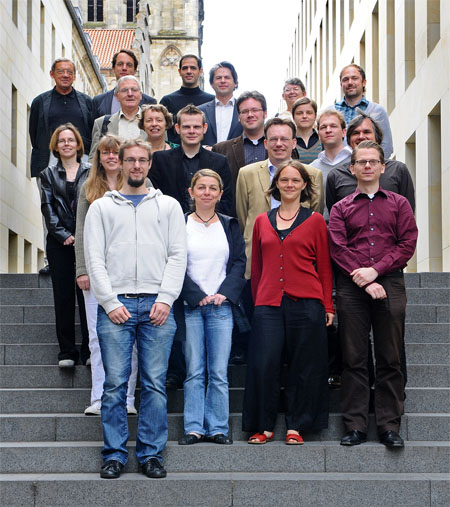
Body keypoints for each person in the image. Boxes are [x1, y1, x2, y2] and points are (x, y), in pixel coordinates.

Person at [84, 138, 187, 480]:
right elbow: (94, 258)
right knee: (114, 384)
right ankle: (114, 455)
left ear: (150, 164)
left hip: (157, 305)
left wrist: (166, 298)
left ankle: (151, 455)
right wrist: (109, 301)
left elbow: (178, 255)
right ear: (120, 163)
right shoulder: (102, 208)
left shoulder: (168, 206)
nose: (137, 166)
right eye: (130, 160)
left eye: (143, 160)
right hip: (118, 306)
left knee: (155, 384)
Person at [328, 141, 417, 448]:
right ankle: (355, 425)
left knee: (390, 357)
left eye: (373, 161)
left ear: (382, 167)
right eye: (361, 162)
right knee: (354, 357)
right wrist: (364, 280)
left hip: (390, 282)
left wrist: (375, 271)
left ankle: (389, 426)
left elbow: (407, 243)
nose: (367, 166)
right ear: (352, 168)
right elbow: (338, 248)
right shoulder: (340, 208)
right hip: (352, 286)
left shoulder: (399, 204)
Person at [243, 160, 334, 444]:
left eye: (296, 180)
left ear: (305, 185)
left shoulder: (315, 221)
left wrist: (328, 306)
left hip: (307, 303)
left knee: (304, 365)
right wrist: (258, 302)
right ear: (276, 185)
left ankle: (297, 425)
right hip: (268, 304)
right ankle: (264, 426)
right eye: (284, 180)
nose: (290, 185)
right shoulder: (262, 221)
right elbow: (257, 268)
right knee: (264, 364)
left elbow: (324, 266)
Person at [178, 169, 246, 446]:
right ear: (191, 192)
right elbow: (173, 262)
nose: (207, 192)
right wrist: (195, 295)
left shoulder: (229, 224)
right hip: (191, 306)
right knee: (194, 370)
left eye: (212, 188)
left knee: (218, 371)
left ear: (220, 194)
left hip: (221, 307)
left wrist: (224, 293)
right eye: (201, 187)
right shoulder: (180, 224)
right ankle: (194, 427)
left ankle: (218, 427)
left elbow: (240, 262)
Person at [75, 134, 138, 416]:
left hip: (129, 273)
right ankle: (99, 397)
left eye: (116, 152)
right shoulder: (89, 188)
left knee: (130, 339)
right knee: (96, 337)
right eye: (106, 152)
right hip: (96, 272)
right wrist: (82, 269)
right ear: (98, 158)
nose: (111, 157)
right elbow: (80, 232)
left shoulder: (139, 185)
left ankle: (127, 399)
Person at [236, 116, 324, 280]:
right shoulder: (246, 174)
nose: (278, 144)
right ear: (265, 143)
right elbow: (243, 217)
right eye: (273, 139)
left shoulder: (312, 174)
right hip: (258, 259)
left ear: (294, 143)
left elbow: (315, 213)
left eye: (284, 139)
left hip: (298, 261)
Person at [29, 58, 93, 274]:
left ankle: (83, 258)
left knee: (84, 208)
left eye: (69, 72)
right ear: (52, 74)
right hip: (49, 160)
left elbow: (90, 131)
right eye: (60, 71)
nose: (65, 75)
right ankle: (51, 260)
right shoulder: (40, 102)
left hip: (81, 161)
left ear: (74, 76)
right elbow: (34, 134)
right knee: (50, 210)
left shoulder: (86, 102)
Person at [39, 123, 90, 367]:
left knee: (87, 295)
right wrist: (63, 234)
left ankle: (89, 349)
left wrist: (81, 234)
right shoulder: (47, 174)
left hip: (86, 240)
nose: (67, 144)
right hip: (59, 243)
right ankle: (67, 352)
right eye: (62, 141)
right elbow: (47, 208)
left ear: (78, 144)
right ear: (56, 147)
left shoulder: (91, 172)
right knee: (63, 296)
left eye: (71, 140)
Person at [327, 111, 415, 212]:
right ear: (349, 141)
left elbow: (407, 213)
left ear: (377, 138)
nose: (361, 136)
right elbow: (335, 214)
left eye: (366, 132)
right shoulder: (336, 176)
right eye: (356, 133)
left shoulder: (398, 170)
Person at [334, 64, 393, 158]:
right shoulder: (331, 112)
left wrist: (372, 164)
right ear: (341, 84)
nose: (350, 82)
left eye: (354, 78)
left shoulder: (378, 111)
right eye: (345, 79)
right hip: (339, 166)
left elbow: (386, 147)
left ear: (364, 82)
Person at [212, 90, 268, 189]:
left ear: (265, 113)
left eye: (255, 110)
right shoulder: (221, 150)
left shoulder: (279, 146)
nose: (250, 115)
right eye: (245, 111)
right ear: (238, 116)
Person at [89, 76, 147, 161]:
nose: (130, 94)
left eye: (134, 90)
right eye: (124, 90)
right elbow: (93, 158)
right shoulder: (102, 123)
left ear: (140, 95)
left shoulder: (153, 123)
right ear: (117, 96)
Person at [160, 54, 214, 144]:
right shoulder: (167, 101)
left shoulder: (211, 101)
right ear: (179, 71)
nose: (189, 71)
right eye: (185, 68)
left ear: (200, 71)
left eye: (193, 68)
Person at [310, 109, 352, 220]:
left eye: (333, 126)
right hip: (322, 226)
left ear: (344, 132)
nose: (328, 130)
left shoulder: (357, 162)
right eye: (323, 127)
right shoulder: (312, 169)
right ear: (318, 134)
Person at [92, 49, 156, 120]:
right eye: (120, 64)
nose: (124, 68)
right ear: (113, 68)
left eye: (129, 65)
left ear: (135, 70)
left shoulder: (149, 102)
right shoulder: (99, 101)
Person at [199, 62, 243, 146]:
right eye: (218, 78)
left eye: (227, 77)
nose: (223, 81)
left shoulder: (244, 110)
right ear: (212, 83)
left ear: (235, 83)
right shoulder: (200, 111)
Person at [292, 97, 322, 164]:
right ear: (293, 117)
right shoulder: (289, 142)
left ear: (315, 116)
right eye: (299, 113)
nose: (304, 116)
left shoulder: (323, 140)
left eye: (309, 113)